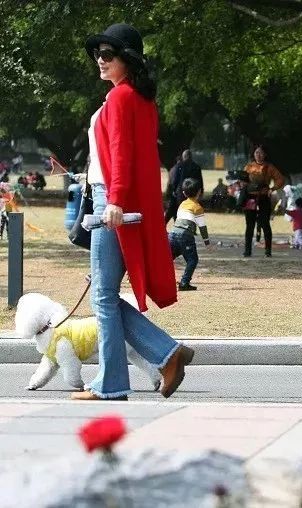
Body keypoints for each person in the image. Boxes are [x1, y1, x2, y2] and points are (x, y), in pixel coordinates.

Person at [77, 23, 193, 401]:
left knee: (104, 294)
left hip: (112, 199)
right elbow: (121, 154)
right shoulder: (137, 98)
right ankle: (165, 354)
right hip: (114, 193)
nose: (100, 59)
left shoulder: (122, 98)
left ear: (127, 60)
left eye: (108, 54)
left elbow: (125, 154)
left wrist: (113, 199)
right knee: (105, 293)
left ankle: (117, 379)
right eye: (98, 54)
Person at [241, 145, 285, 257]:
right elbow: (242, 180)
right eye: (256, 153)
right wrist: (242, 184)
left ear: (265, 154)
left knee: (265, 223)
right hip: (250, 198)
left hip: (263, 198)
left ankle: (268, 251)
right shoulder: (249, 166)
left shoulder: (269, 167)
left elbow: (280, 179)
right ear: (253, 154)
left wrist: (272, 189)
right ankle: (247, 250)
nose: (258, 155)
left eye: (261, 153)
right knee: (249, 225)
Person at [168, 178, 210, 291]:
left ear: (184, 193)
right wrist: (207, 243)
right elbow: (202, 227)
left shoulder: (182, 204)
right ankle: (184, 282)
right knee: (192, 260)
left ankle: (161, 279)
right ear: (199, 191)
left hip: (172, 234)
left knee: (168, 258)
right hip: (185, 236)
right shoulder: (198, 208)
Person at [165, 149, 203, 224]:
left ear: (183, 157)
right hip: (193, 193)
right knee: (191, 211)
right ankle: (191, 226)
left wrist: (173, 190)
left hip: (181, 192)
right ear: (191, 156)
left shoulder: (179, 166)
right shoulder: (197, 167)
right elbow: (200, 181)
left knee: (178, 209)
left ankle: (179, 224)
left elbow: (175, 180)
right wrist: (201, 192)